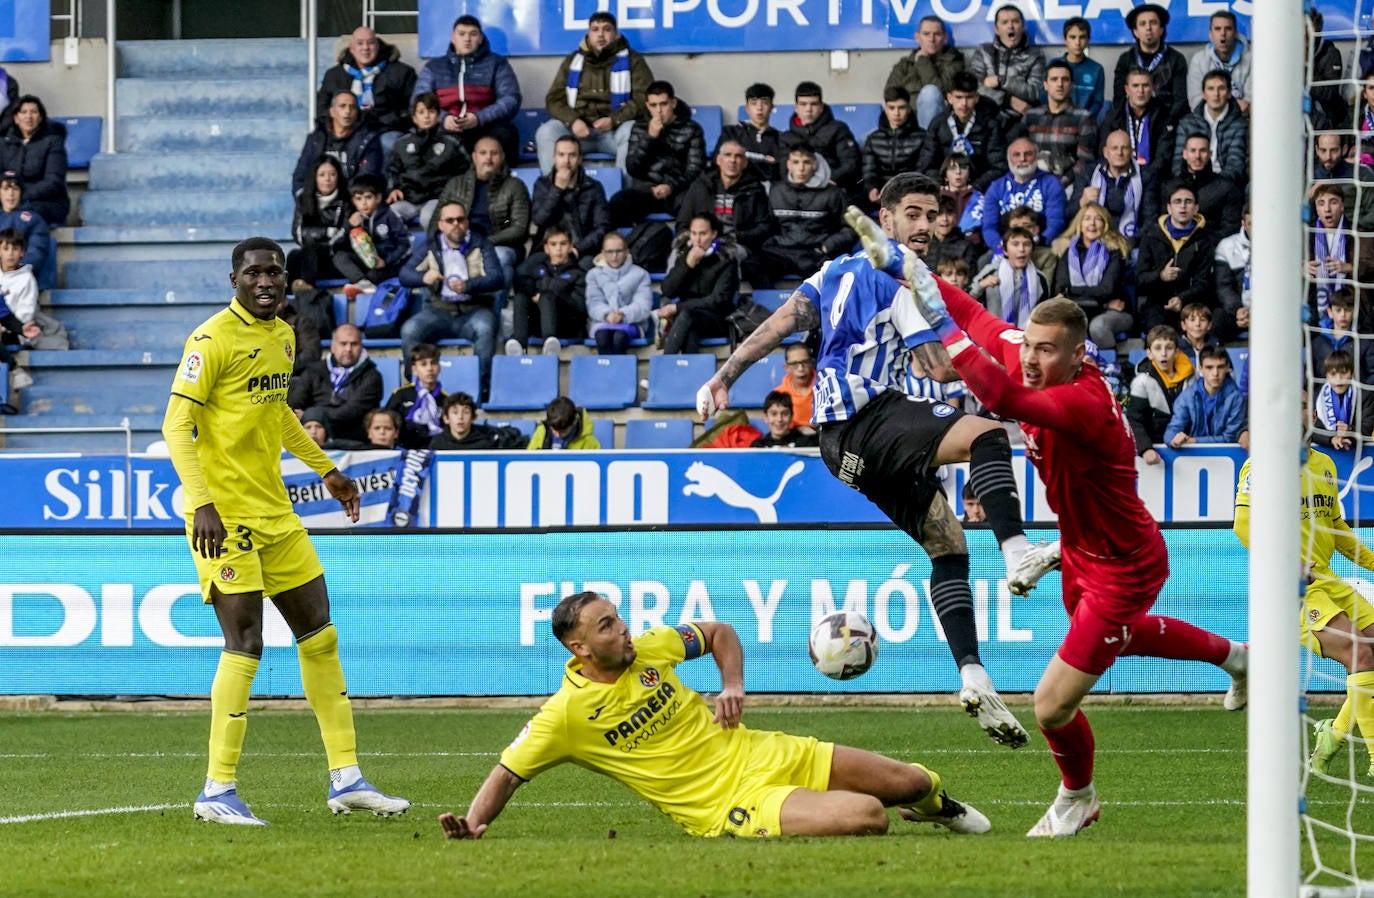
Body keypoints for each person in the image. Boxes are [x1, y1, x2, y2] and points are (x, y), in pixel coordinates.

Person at [857, 231, 1246, 835]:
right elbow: (974, 313)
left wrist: (942, 331)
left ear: (1079, 355)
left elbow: (1000, 393)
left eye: (1046, 351)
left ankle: (1078, 797)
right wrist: (905, 267)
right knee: (1118, 640)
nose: (1032, 359)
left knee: (1051, 703)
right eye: (1029, 346)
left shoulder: (1083, 401)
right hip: (1081, 552)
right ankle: (1237, 658)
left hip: (1125, 564)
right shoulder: (1033, 358)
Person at [698, 172, 1047, 749]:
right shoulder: (903, 277)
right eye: (911, 214)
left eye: (931, 216)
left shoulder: (832, 271)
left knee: (949, 545)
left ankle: (974, 678)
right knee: (989, 437)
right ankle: (1017, 552)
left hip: (842, 448)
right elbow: (938, 366)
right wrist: (1022, 379)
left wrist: (723, 374)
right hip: (869, 419)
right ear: (883, 220)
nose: (924, 227)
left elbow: (780, 323)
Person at [162, 237, 409, 825]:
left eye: (275, 272)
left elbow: (277, 417)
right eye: (255, 273)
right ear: (234, 280)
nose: (266, 281)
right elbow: (176, 425)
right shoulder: (211, 339)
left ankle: (346, 778)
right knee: (245, 643)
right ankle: (216, 790)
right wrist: (202, 503)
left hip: (276, 514)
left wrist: (329, 472)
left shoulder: (283, 336)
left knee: (320, 635)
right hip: (225, 520)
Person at [438, 592, 990, 840]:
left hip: (761, 750)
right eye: (606, 625)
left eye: (618, 617)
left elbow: (720, 632)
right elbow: (508, 772)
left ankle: (938, 809)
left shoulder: (652, 647)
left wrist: (732, 685)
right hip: (730, 803)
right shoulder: (565, 716)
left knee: (912, 781)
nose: (624, 628)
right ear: (579, 648)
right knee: (868, 815)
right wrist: (475, 823)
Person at [1235, 402, 1374, 778]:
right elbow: (1244, 526)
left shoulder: (1325, 465)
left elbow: (1337, 530)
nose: (1294, 414)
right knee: (1360, 654)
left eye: (1301, 406)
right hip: (1290, 586)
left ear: (1312, 416)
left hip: (1328, 580)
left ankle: (1334, 735)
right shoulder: (1259, 466)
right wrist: (1288, 566)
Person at [399, 201, 502, 396]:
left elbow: (497, 278)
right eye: (450, 220)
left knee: (485, 328)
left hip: (474, 310)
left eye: (460, 219)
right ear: (441, 225)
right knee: (409, 330)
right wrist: (422, 277)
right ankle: (413, 386)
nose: (456, 224)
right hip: (439, 311)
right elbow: (404, 275)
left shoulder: (481, 243)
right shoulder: (430, 246)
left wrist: (469, 285)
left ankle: (483, 388)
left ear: (467, 222)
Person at [538, 11, 655, 174]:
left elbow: (645, 98)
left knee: (632, 131)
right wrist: (573, 121)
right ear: (588, 34)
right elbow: (553, 99)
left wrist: (614, 120)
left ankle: (622, 195)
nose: (601, 34)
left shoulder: (633, 60)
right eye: (595, 29)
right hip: (578, 132)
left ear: (616, 34)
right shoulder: (573, 60)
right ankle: (553, 191)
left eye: (607, 29)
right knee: (547, 131)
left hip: (615, 131)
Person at [413, 16, 520, 162]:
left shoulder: (497, 64)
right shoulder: (434, 67)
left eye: (473, 34)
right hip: (445, 126)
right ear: (453, 38)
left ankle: (500, 182)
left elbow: (510, 99)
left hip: (485, 125)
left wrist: (479, 118)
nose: (467, 39)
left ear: (481, 38)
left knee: (506, 133)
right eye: (462, 34)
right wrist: (443, 118)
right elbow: (418, 100)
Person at [433, 136, 530, 292]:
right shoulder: (455, 184)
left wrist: (486, 242)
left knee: (501, 258)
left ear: (502, 157)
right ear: (474, 157)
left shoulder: (515, 186)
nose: (488, 158)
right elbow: (436, 221)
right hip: (459, 242)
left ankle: (494, 312)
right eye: (483, 153)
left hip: (499, 243)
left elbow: (518, 227)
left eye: (494, 153)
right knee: (431, 261)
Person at [748, 145, 852, 289]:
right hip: (782, 251)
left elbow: (852, 228)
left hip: (816, 253)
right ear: (789, 165)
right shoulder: (776, 191)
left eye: (806, 162)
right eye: (796, 162)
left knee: (835, 272)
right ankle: (767, 308)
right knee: (752, 263)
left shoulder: (833, 193)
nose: (801, 168)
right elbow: (766, 225)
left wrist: (828, 245)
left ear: (814, 165)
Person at [610, 80, 706, 226]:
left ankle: (684, 244)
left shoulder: (691, 128)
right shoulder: (640, 127)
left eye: (664, 104)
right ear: (648, 106)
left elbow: (695, 169)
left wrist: (670, 186)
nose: (659, 111)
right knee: (619, 202)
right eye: (654, 106)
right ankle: (630, 245)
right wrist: (650, 138)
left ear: (673, 103)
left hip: (677, 191)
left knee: (696, 204)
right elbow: (632, 167)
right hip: (646, 190)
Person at [1136, 182, 1217, 332]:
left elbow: (1204, 282)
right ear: (1169, 207)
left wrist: (1182, 298)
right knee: (1157, 330)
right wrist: (1160, 276)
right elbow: (1140, 280)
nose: (1183, 206)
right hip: (1157, 303)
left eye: (1188, 201)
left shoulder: (1205, 240)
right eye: (1177, 201)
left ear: (1196, 208)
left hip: (1192, 303)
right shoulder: (1151, 236)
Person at [317, 27, 416, 149]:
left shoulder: (402, 73)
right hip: (343, 132)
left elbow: (413, 108)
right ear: (352, 49)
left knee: (388, 145)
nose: (365, 48)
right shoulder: (334, 75)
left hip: (385, 131)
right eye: (360, 43)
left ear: (378, 45)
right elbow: (322, 109)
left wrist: (384, 120)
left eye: (371, 43)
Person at [1050, 202, 1130, 354]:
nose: (1092, 224)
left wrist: (1071, 291)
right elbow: (1060, 288)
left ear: (1105, 224)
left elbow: (1107, 290)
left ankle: (1110, 367)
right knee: (1068, 324)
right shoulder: (1069, 252)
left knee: (1097, 327)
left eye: (1098, 219)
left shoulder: (1114, 252)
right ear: (1080, 223)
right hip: (1095, 308)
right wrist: (1104, 304)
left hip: (1116, 313)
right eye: (1087, 218)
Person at [676, 138, 774, 262]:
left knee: (724, 257)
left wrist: (738, 236)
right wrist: (694, 239)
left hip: (737, 244)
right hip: (700, 241)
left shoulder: (754, 190)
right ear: (718, 160)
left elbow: (764, 227)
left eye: (738, 156)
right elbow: (683, 223)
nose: (732, 160)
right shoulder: (700, 186)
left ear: (744, 163)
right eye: (728, 155)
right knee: (677, 256)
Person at [287, 322, 384, 445]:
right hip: (312, 439)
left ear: (361, 347)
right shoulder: (313, 371)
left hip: (354, 441)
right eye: (343, 344)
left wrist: (311, 415)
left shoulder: (372, 376)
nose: (348, 349)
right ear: (333, 346)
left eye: (354, 344)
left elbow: (352, 412)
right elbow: (295, 404)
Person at [385, 92, 471, 230]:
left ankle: (434, 250)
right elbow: (393, 170)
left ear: (437, 116)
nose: (426, 116)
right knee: (389, 216)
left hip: (438, 198)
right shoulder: (402, 143)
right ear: (414, 118)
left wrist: (454, 195)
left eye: (431, 111)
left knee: (428, 218)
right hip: (409, 198)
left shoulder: (452, 142)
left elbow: (467, 171)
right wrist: (393, 188)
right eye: (421, 112)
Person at [657, 212, 740, 354]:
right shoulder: (684, 255)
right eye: (694, 234)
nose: (698, 239)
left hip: (718, 318)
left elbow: (718, 300)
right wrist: (687, 266)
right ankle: (690, 375)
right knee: (690, 331)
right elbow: (667, 290)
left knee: (687, 316)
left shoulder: (726, 259)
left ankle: (664, 366)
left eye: (703, 234)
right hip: (688, 320)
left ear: (714, 234)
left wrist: (678, 307)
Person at [507, 227, 587, 357]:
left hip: (566, 324)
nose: (558, 249)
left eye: (563, 244)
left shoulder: (578, 273)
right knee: (521, 297)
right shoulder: (536, 269)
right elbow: (525, 288)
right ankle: (519, 346)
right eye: (553, 244)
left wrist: (552, 297)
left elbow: (580, 306)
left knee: (547, 296)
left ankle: (551, 344)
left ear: (571, 246)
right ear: (546, 248)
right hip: (539, 323)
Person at [1019, 60, 1098, 192]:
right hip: (1032, 181)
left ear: (1072, 85)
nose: (1060, 84)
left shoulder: (1084, 117)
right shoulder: (1030, 116)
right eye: (1054, 79)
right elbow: (1021, 154)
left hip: (1068, 184)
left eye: (1065, 80)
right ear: (1045, 85)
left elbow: (1085, 161)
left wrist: (1059, 184)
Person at [530, 135, 611, 263]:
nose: (566, 161)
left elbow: (602, 227)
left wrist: (578, 249)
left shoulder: (593, 187)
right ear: (554, 158)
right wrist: (557, 190)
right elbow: (539, 220)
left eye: (572, 155)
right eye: (561, 155)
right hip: (548, 250)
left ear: (579, 159)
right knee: (524, 271)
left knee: (586, 266)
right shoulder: (542, 184)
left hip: (582, 251)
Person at [779, 82, 863, 204]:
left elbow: (850, 163)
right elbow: (784, 170)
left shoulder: (838, 129)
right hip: (799, 193)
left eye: (813, 104)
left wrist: (826, 180)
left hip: (832, 189)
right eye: (803, 104)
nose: (808, 109)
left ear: (821, 107)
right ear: (796, 108)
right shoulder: (786, 137)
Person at [979, 137, 1067, 253]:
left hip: (1041, 246)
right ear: (1009, 158)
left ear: (1036, 156)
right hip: (1004, 249)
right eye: (1016, 155)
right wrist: (1002, 249)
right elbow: (989, 228)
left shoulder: (1051, 184)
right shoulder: (996, 187)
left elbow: (1056, 224)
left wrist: (1033, 245)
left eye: (1028, 154)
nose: (1022, 159)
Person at [927, 71, 1008, 192]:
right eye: (958, 97)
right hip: (944, 190)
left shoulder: (990, 125)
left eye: (969, 97)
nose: (964, 104)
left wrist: (975, 187)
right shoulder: (938, 124)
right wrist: (942, 186)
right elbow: (927, 165)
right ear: (949, 98)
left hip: (980, 190)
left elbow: (998, 167)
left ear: (976, 98)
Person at [291, 91, 382, 199]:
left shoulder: (368, 139)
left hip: (352, 203)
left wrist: (341, 204)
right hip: (318, 201)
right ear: (332, 111)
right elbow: (301, 174)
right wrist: (305, 201)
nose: (348, 111)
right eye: (342, 106)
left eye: (352, 107)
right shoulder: (316, 138)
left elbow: (366, 178)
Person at [1125, 325, 1194, 465]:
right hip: (1154, 452)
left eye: (1169, 348)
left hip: (1189, 448)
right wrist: (1145, 449)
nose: (1163, 353)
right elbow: (1134, 420)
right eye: (1157, 348)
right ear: (1149, 353)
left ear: (1176, 352)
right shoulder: (1142, 382)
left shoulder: (1193, 379)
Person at [330, 173, 409, 293]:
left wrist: (386, 261)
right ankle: (363, 283)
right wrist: (349, 226)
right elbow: (334, 244)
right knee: (339, 257)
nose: (364, 203)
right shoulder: (353, 218)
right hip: (365, 262)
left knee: (374, 274)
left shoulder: (390, 215)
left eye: (368, 197)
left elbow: (405, 244)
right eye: (358, 199)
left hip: (386, 264)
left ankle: (364, 284)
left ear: (378, 198)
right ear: (353, 201)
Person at [968, 3, 1044, 127]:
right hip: (986, 117)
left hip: (1019, 120)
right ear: (996, 29)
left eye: (1015, 21)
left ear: (1023, 26)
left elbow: (1035, 92)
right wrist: (1007, 100)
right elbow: (972, 87)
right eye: (1005, 22)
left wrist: (1002, 81)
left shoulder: (1035, 55)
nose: (1010, 26)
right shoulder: (983, 51)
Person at [861, 87, 938, 209]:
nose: (896, 113)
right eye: (892, 108)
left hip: (911, 194)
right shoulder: (873, 139)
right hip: (881, 196)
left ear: (908, 109)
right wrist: (872, 189)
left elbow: (923, 171)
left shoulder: (922, 137)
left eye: (901, 107)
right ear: (885, 109)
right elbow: (869, 171)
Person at [1112, 3, 1189, 124]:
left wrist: (1166, 124)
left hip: (1167, 121)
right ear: (1135, 31)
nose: (1148, 28)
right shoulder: (1126, 59)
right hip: (1133, 120)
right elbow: (1119, 99)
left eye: (1153, 23)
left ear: (1161, 29)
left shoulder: (1176, 58)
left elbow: (1180, 100)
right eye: (1142, 24)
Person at [886, 16, 967, 129]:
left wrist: (923, 62)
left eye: (937, 34)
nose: (931, 39)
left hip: (941, 125)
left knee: (930, 93)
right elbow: (890, 96)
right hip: (907, 123)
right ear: (917, 38)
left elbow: (942, 92)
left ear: (945, 38)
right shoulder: (905, 64)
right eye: (926, 34)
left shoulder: (954, 62)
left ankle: (927, 144)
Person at [1101, 68, 1177, 188]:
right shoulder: (1113, 117)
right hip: (1120, 179)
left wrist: (1144, 179)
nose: (1140, 91)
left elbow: (1163, 157)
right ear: (1127, 90)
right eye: (1135, 86)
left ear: (1152, 88)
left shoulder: (1164, 116)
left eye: (1145, 85)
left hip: (1154, 181)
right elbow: (1104, 152)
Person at [0, 96, 67, 226]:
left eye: (34, 112)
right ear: (16, 118)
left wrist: (20, 196)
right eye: (23, 112)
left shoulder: (53, 142)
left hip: (46, 202)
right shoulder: (4, 144)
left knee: (23, 216)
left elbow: (53, 182)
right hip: (10, 199)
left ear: (41, 118)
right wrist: (9, 195)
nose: (29, 117)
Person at [584, 231, 653, 355]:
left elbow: (643, 305)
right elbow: (594, 302)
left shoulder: (641, 274)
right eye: (610, 252)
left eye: (619, 251)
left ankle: (621, 373)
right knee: (602, 336)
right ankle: (606, 372)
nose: (614, 256)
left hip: (633, 323)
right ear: (603, 253)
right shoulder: (593, 275)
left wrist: (623, 314)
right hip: (602, 323)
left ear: (626, 251)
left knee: (619, 337)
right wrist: (606, 314)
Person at [1164, 344, 1247, 448]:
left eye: (1220, 367)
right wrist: (1174, 440)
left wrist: (1194, 441)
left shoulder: (1236, 398)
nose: (1215, 373)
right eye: (1209, 367)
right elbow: (1172, 430)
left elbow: (1230, 437)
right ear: (1200, 369)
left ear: (1227, 368)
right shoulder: (1187, 396)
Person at [288, 156, 349, 288]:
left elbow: (343, 235)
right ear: (314, 177)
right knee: (293, 256)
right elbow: (298, 234)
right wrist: (326, 232)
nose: (327, 179)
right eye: (322, 175)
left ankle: (307, 290)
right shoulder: (303, 198)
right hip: (310, 257)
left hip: (336, 259)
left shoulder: (346, 200)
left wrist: (316, 238)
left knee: (311, 249)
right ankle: (285, 301)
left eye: (332, 174)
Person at [970, 226, 1047, 327]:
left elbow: (1044, 313)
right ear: (1005, 250)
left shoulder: (1039, 278)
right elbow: (967, 300)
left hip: (1027, 335)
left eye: (1027, 244)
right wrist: (981, 285)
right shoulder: (991, 272)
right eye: (1015, 244)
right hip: (992, 332)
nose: (1021, 249)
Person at [1173, 134, 1243, 238]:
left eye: (1203, 151)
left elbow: (1230, 229)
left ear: (1210, 154)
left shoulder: (1226, 188)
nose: (1197, 156)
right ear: (1184, 154)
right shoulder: (1170, 187)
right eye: (1193, 151)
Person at [384, 342, 448, 450]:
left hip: (435, 450)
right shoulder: (401, 395)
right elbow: (388, 422)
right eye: (423, 364)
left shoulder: (446, 400)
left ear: (439, 367)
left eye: (434, 363)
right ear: (414, 370)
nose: (429, 368)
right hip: (404, 449)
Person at [1186, 10, 1251, 114]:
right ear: (1210, 34)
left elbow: (1250, 104)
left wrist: (1215, 104)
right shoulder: (1198, 60)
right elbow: (1196, 102)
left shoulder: (1252, 60)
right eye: (1217, 29)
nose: (1223, 34)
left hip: (1243, 122)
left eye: (1228, 29)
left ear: (1235, 33)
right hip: (1208, 123)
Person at [718, 82, 783, 185]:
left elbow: (778, 171)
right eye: (754, 103)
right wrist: (764, 160)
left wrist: (745, 158)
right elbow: (720, 163)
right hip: (739, 188)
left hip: (770, 190)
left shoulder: (780, 138)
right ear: (747, 108)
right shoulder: (731, 133)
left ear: (771, 107)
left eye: (764, 103)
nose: (759, 108)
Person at [1053, 17, 1106, 121]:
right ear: (1065, 40)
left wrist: (1083, 119)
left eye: (1082, 37)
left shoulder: (1096, 69)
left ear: (1088, 40)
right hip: (1056, 121)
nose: (1077, 42)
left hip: (1085, 123)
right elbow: (1045, 97)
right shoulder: (1054, 66)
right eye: (1072, 37)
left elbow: (1097, 102)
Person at [429, 391, 516, 450]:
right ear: (446, 418)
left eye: (466, 412)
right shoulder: (437, 444)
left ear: (473, 418)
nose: (460, 417)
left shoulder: (486, 442)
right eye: (455, 412)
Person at [0, 170, 48, 275]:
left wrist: (11, 273)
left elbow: (36, 255)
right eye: (6, 188)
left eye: (15, 189)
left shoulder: (34, 220)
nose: (11, 194)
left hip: (20, 279)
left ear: (21, 192)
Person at [1214, 205, 1250, 339]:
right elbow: (1224, 286)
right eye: (1251, 223)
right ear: (1243, 223)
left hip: (1270, 312)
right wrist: (1238, 310)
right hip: (1238, 313)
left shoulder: (1280, 245)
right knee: (1217, 318)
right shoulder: (1227, 246)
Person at [1314, 350, 1362, 446]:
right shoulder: (1316, 396)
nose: (1338, 378)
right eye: (1333, 374)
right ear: (1326, 375)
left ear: (1352, 373)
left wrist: (1349, 430)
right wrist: (1331, 439)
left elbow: (1366, 428)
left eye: (1344, 373)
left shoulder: (1364, 395)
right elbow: (1312, 430)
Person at [924, 194, 980, 273]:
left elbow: (970, 278)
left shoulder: (966, 247)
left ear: (955, 217)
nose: (945, 219)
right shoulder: (921, 244)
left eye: (949, 214)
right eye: (940, 214)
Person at [528, 396, 600, 450]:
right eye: (554, 430)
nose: (557, 435)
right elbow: (529, 460)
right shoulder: (542, 431)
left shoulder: (590, 442)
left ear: (574, 422)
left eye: (563, 432)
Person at [752, 390, 819, 448]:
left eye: (784, 413)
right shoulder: (758, 446)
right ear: (766, 417)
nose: (779, 419)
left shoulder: (806, 442)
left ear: (791, 416)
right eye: (774, 414)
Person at [777, 343, 816, 431]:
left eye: (805, 362)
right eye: (794, 364)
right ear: (786, 367)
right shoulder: (779, 395)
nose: (801, 369)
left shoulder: (826, 387)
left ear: (812, 363)